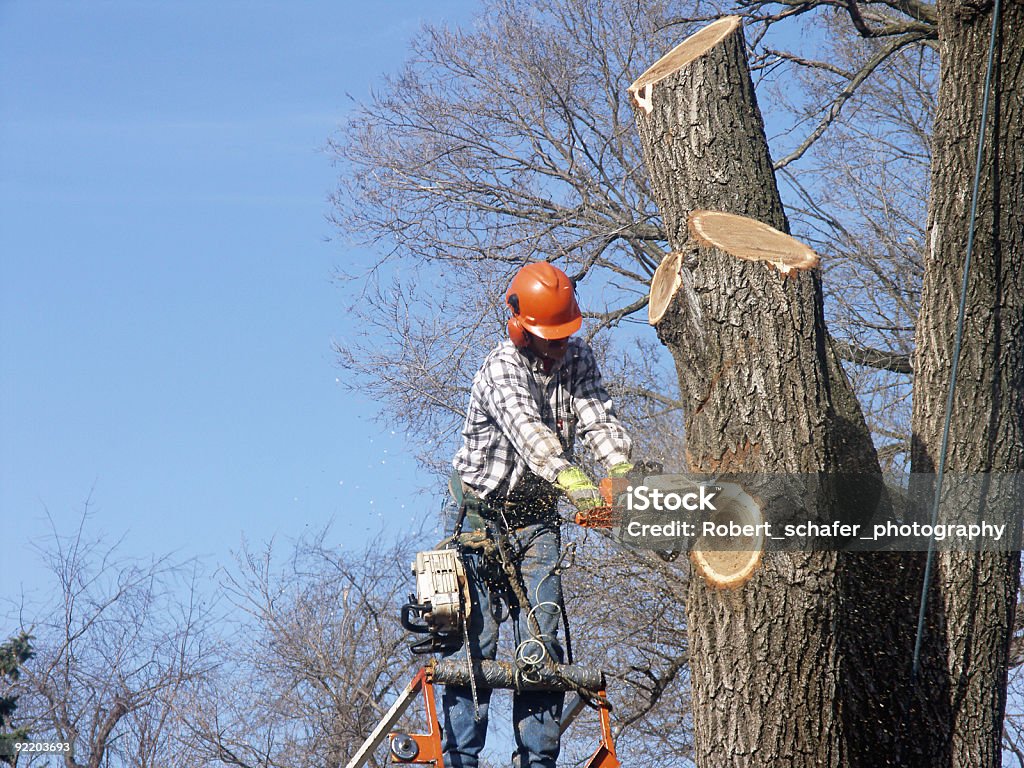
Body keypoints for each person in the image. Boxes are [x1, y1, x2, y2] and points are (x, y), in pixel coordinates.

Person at [444, 262, 633, 768]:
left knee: (542, 642)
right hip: (478, 521)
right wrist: (577, 484)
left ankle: (538, 762)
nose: (559, 347)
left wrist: (619, 468)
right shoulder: (499, 371)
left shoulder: (578, 356)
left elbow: (597, 413)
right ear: (520, 328)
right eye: (550, 338)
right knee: (473, 645)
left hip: (536, 520)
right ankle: (460, 760)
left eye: (564, 335)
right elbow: (532, 436)